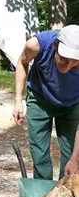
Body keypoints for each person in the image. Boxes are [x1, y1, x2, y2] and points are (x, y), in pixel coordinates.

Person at [13, 25, 79, 180]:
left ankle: (65, 193)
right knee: (39, 153)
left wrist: (75, 159)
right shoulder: (37, 45)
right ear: (55, 45)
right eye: (63, 57)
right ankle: (42, 195)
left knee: (71, 154)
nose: (67, 65)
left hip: (72, 105)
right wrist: (18, 100)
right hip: (40, 99)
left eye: (74, 61)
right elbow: (22, 61)